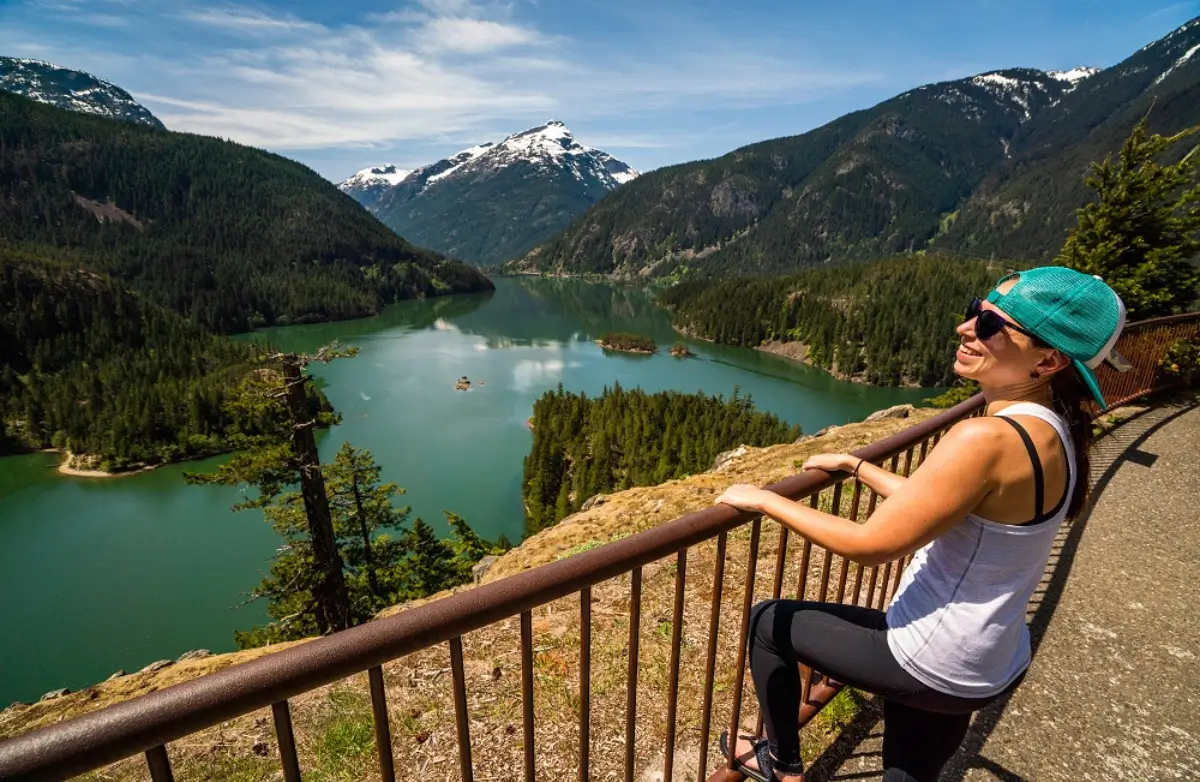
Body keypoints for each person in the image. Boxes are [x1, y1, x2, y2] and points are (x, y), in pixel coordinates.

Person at [714, 267, 1127, 782]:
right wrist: (858, 466)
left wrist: (764, 499)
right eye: (977, 309)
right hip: (989, 662)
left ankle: (783, 764)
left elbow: (869, 545)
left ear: (1048, 361)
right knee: (909, 769)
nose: (966, 327)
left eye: (992, 325)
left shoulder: (985, 438)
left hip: (936, 656)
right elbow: (947, 505)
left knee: (768, 622)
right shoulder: (1058, 431)